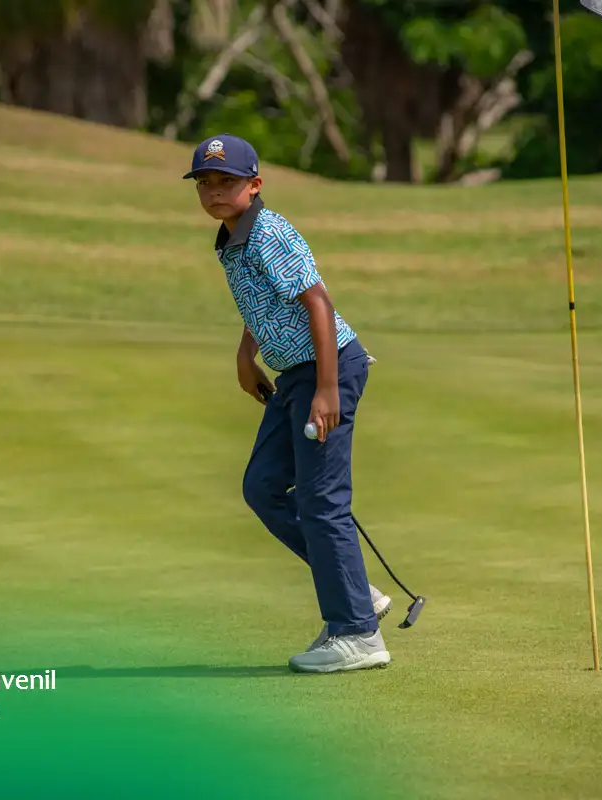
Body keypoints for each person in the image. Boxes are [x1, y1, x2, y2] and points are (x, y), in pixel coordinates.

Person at [183, 133, 392, 673]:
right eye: (204, 183)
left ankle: (358, 633)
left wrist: (326, 388)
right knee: (263, 487)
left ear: (254, 185)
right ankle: (355, 593)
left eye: (226, 181)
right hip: (296, 374)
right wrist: (245, 354)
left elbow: (317, 304)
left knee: (322, 501)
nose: (214, 191)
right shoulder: (231, 238)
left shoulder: (267, 233)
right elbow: (264, 305)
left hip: (327, 368)